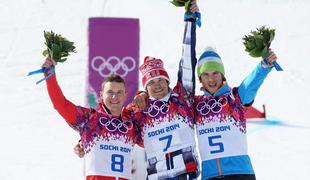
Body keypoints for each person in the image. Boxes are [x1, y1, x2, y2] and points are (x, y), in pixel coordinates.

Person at [124, 1, 201, 179]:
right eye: (151, 82)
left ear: (167, 81)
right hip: (157, 176)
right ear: (146, 87)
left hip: (186, 172)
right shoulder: (138, 110)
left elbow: (188, 61)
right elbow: (112, 122)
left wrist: (190, 21)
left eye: (161, 80)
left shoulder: (182, 98)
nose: (157, 85)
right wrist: (85, 140)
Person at [42, 57, 135, 180]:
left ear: (125, 95)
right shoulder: (89, 119)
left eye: (119, 92)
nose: (114, 96)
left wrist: (142, 94)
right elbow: (61, 105)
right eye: (110, 92)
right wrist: (50, 76)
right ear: (101, 94)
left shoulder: (132, 122)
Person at [194, 47, 278, 180]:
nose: (211, 79)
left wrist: (263, 66)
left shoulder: (235, 98)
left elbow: (250, 85)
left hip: (240, 173)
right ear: (200, 78)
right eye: (206, 74)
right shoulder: (196, 105)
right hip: (210, 175)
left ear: (222, 74)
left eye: (215, 72)